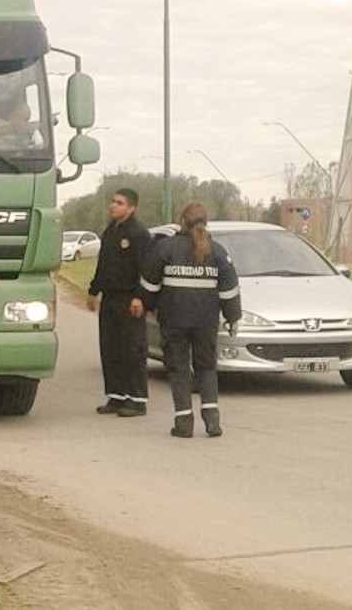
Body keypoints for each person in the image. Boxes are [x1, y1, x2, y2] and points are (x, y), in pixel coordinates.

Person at [139, 202, 241, 438]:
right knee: (206, 368)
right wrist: (232, 316)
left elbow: (149, 284)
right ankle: (212, 422)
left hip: (173, 321)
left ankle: (184, 423)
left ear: (182, 222)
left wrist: (147, 306)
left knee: (179, 370)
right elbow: (230, 290)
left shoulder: (165, 249)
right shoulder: (217, 252)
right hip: (206, 322)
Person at [86, 188, 151, 417]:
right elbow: (103, 265)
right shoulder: (109, 232)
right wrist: (93, 291)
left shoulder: (138, 234)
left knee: (132, 349)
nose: (113, 206)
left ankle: (137, 399)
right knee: (111, 348)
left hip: (130, 299)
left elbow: (145, 269)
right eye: (113, 202)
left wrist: (140, 297)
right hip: (110, 299)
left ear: (131, 207)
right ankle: (116, 395)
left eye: (119, 203)